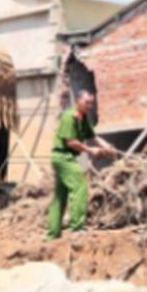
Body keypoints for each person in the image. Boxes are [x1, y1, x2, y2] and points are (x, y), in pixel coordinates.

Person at [47, 91, 116, 240]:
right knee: (80, 186)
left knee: (60, 195)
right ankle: (77, 228)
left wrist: (106, 146)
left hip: (77, 156)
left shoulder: (84, 117)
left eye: (92, 103)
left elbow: (93, 136)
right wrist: (90, 150)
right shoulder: (69, 117)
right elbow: (70, 142)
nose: (90, 106)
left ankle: (52, 235)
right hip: (63, 156)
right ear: (78, 101)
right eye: (87, 103)